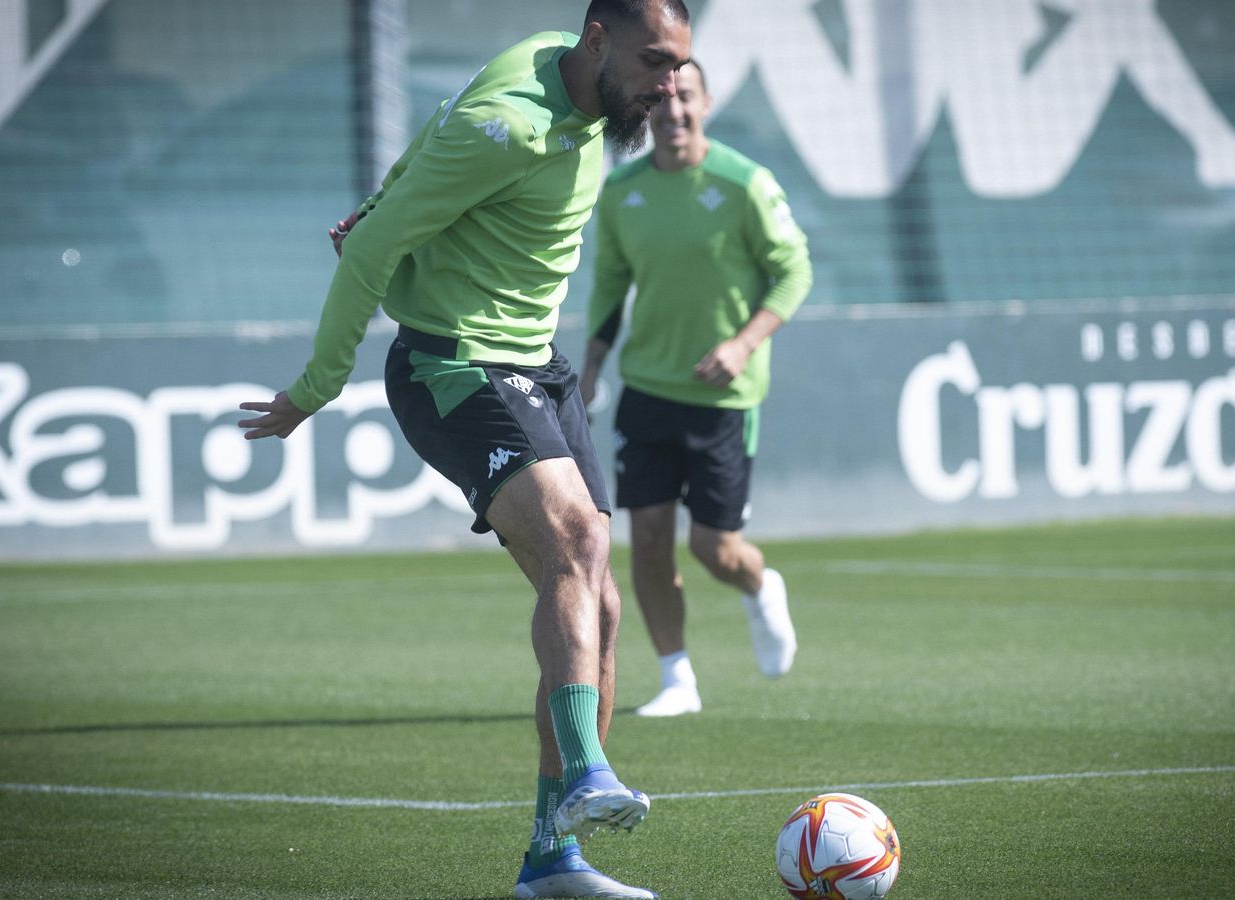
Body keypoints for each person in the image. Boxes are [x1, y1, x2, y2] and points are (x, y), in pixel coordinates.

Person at [237, 4, 691, 897]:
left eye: (679, 65)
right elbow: (370, 251)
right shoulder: (509, 128)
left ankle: (552, 861)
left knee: (598, 603)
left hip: (539, 365)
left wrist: (385, 192)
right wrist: (314, 390)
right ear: (597, 38)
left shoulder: (555, 75)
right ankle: (588, 773)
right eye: (654, 62)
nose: (668, 84)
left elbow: (421, 145)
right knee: (578, 542)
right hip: (453, 360)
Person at [581, 59, 811, 718]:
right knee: (647, 537)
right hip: (647, 390)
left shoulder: (746, 184)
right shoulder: (620, 190)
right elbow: (609, 285)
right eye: (661, 100)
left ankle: (762, 586)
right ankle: (676, 677)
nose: (674, 112)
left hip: (723, 401)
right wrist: (593, 361)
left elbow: (794, 273)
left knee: (714, 549)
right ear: (644, 109)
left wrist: (742, 344)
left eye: (686, 98)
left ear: (706, 103)